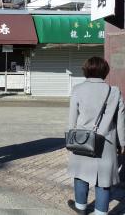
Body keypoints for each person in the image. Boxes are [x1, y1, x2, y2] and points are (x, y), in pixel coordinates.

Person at [67, 57, 125, 215]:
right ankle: (100, 213)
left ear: (86, 70)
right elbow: (120, 121)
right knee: (104, 180)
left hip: (82, 140)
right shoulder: (114, 91)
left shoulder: (77, 89)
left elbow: (72, 118)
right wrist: (123, 144)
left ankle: (80, 208)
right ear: (105, 71)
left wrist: (70, 139)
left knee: (80, 174)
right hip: (106, 142)